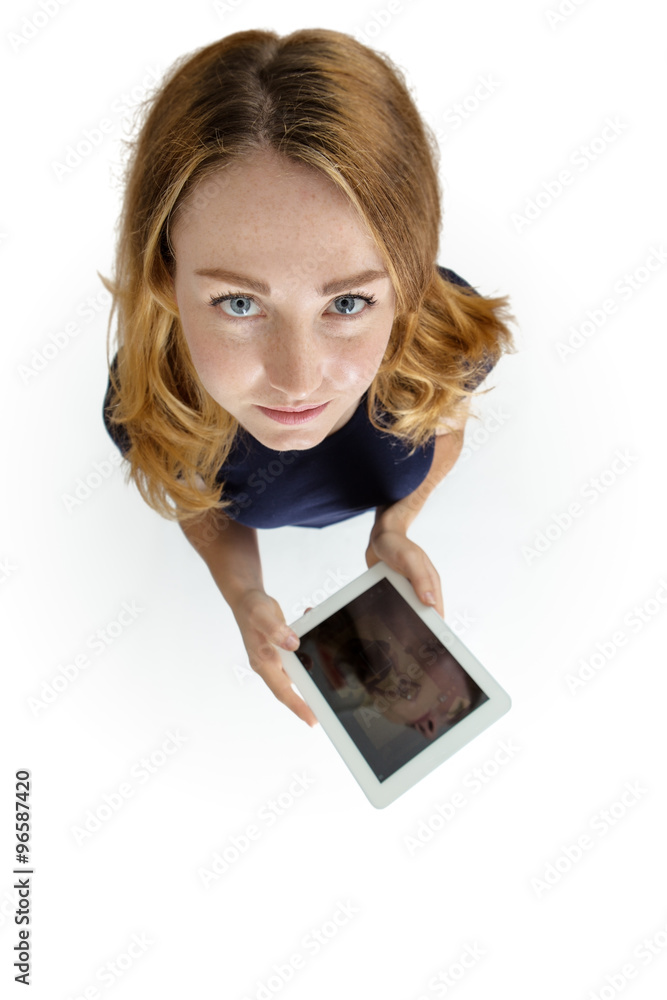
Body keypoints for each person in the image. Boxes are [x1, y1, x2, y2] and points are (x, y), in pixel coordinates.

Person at [101, 27, 515, 729]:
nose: (297, 382)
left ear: (409, 282)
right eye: (239, 303)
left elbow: (443, 417)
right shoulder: (147, 397)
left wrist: (396, 524)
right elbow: (194, 494)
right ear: (164, 275)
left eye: (347, 303)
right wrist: (244, 594)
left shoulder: (441, 335)